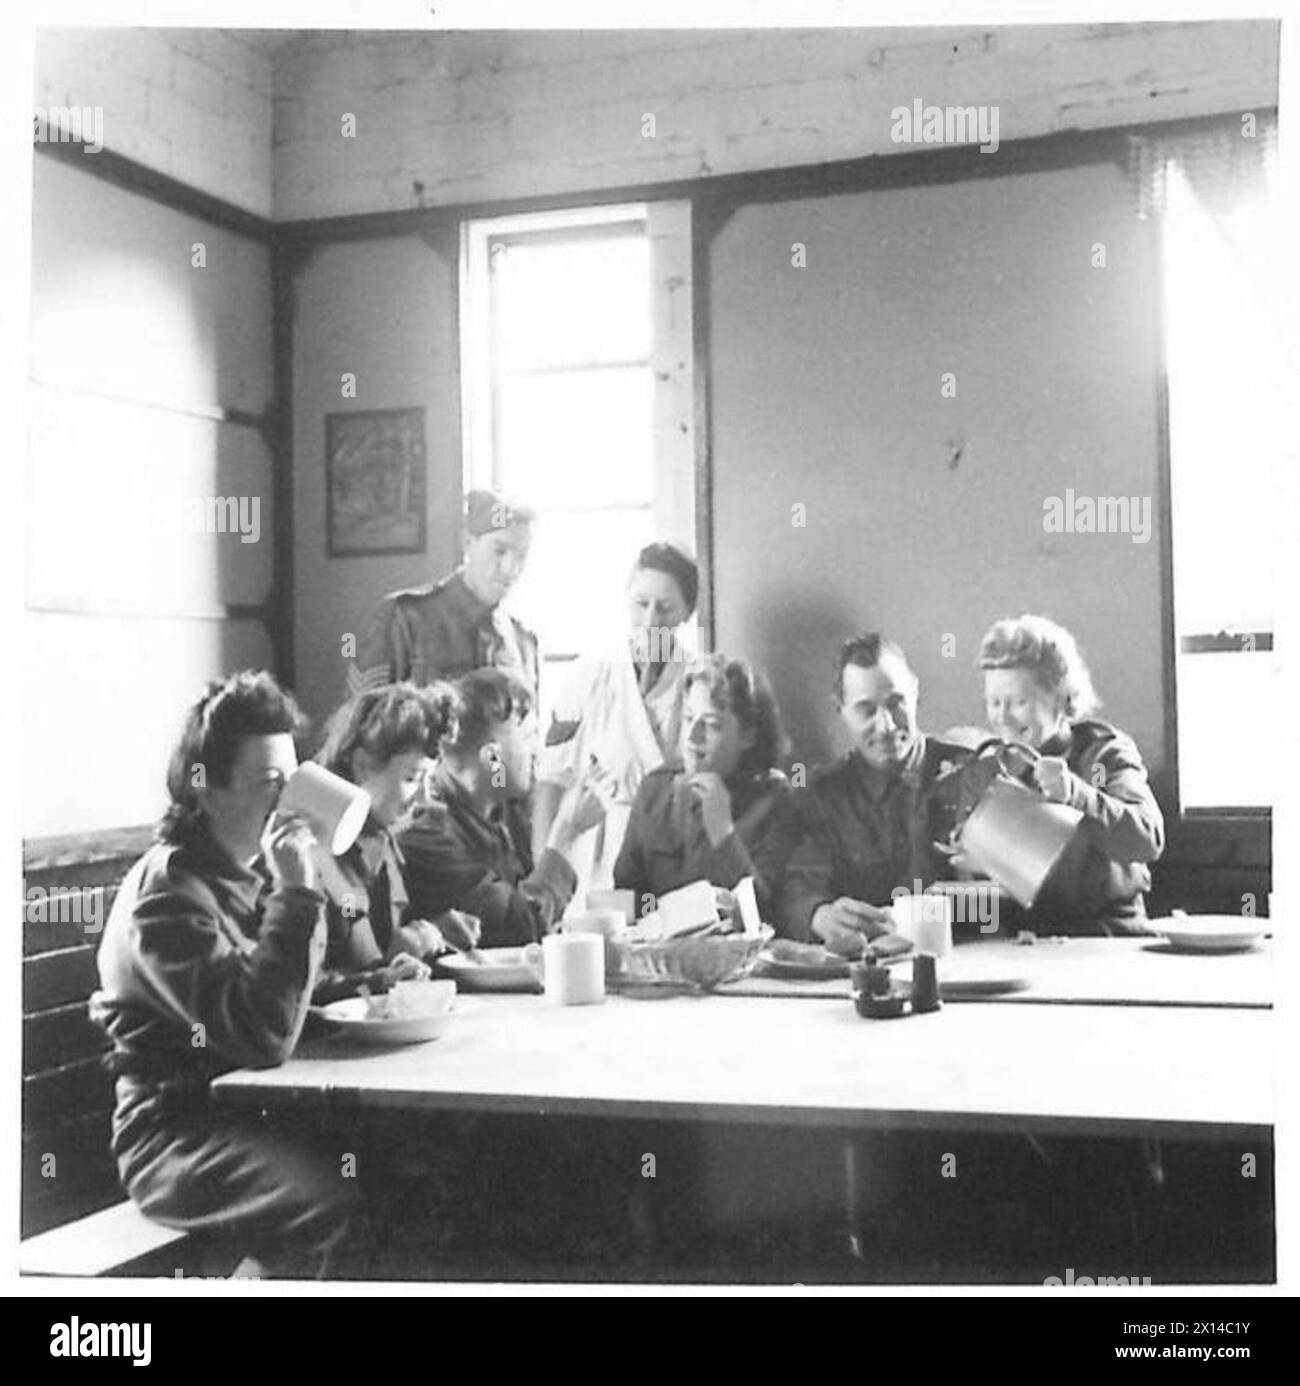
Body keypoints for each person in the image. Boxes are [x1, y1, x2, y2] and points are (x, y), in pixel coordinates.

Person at [90, 671, 356, 1278]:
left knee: (401, 1161)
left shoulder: (233, 869)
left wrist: (360, 992)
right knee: (328, 1201)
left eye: (294, 780)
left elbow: (265, 994)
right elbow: (261, 1035)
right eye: (270, 783)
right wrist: (298, 892)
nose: (288, 801)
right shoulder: (168, 899)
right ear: (206, 790)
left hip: (239, 1114)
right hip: (172, 1137)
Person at [951, 613, 1164, 935]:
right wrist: (974, 864)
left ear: (1063, 699)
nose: (1003, 718)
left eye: (1018, 702)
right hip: (1019, 944)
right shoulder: (987, 768)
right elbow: (983, 902)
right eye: (994, 702)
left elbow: (1147, 840)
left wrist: (1075, 795)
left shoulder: (1103, 754)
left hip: (1108, 937)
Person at [780, 634, 973, 955]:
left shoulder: (970, 774)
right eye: (865, 710)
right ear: (840, 710)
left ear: (916, 694)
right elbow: (795, 889)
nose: (885, 726)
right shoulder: (824, 795)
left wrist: (939, 914)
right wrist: (820, 915)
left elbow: (1010, 902)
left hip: (970, 962)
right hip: (866, 974)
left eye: (896, 704)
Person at [532, 541, 700, 903]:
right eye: (642, 604)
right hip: (593, 853)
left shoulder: (699, 681)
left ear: (687, 612)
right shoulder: (588, 675)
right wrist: (542, 880)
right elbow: (551, 784)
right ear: (627, 600)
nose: (651, 620)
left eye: (666, 608)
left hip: (670, 856)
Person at [398, 668, 612, 947]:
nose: (536, 753)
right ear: (493, 758)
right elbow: (520, 927)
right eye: (528, 738)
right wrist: (567, 833)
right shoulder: (428, 831)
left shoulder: (504, 813)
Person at [310, 682, 482, 1000]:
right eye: (412, 778)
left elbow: (385, 949)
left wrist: (430, 931)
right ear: (361, 765)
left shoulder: (381, 841)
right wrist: (383, 975)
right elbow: (290, 993)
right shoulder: (308, 855)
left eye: (429, 780)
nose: (425, 798)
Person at [613, 654, 800, 926]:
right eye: (689, 718)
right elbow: (628, 896)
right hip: (661, 958)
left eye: (711, 725)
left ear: (747, 735)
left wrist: (724, 834)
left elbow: (771, 914)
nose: (692, 737)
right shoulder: (654, 790)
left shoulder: (775, 799)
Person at [352, 489, 538, 696]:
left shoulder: (523, 641)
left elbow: (531, 725)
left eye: (522, 555)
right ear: (467, 543)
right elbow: (362, 719)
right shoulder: (404, 619)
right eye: (499, 551)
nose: (510, 568)